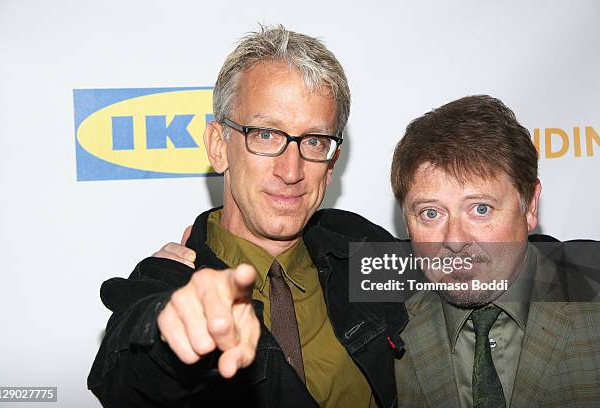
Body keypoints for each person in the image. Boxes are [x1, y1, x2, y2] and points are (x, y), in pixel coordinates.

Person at [88, 25, 407, 408]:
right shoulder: (173, 278)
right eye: (266, 135)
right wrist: (177, 330)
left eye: (314, 141)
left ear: (332, 160)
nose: (291, 171)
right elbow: (129, 372)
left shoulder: (357, 249)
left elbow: (467, 273)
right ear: (219, 146)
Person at [389, 95, 600, 407]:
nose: (455, 239)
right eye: (431, 213)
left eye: (481, 208)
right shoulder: (385, 332)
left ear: (530, 205)